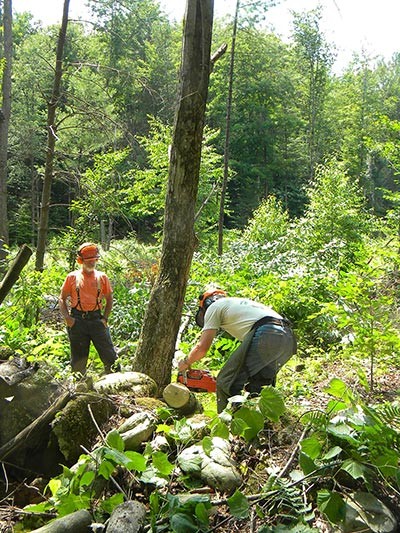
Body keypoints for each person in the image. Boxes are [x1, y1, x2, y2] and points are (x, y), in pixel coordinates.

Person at [178, 286, 297, 413]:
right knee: (259, 386)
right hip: (289, 338)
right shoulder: (239, 304)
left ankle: (229, 426)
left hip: (266, 333)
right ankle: (265, 427)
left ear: (206, 304)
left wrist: (185, 362)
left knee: (226, 382)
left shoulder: (214, 307)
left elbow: (202, 347)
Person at [59, 242, 119, 375]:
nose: (92, 263)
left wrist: (104, 318)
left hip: (97, 319)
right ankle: (80, 390)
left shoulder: (102, 277)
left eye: (94, 260)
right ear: (81, 261)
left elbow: (109, 299)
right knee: (78, 362)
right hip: (78, 320)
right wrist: (68, 319)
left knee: (110, 357)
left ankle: (114, 385)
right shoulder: (72, 277)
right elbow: (62, 298)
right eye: (89, 260)